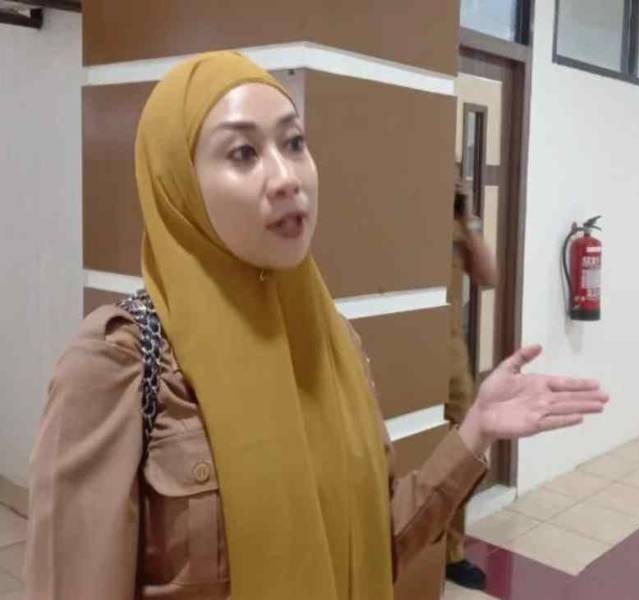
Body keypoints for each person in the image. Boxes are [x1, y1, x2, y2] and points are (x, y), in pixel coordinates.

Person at [24, 51, 608, 599]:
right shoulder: (118, 365)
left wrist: (475, 430)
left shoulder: (332, 344)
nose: (286, 177)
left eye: (294, 143)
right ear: (178, 185)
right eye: (243, 153)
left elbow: (376, 547)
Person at [444, 181, 498, 590]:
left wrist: (468, 219)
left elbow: (488, 275)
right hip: (408, 350)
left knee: (464, 454)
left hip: (450, 362)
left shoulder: (458, 223)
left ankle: (452, 552)